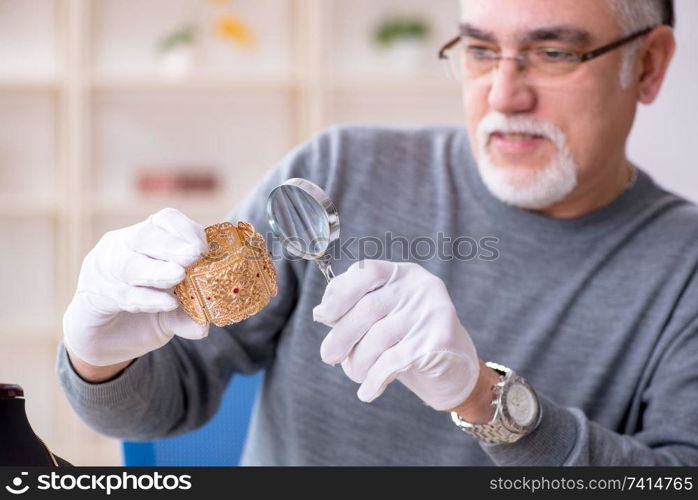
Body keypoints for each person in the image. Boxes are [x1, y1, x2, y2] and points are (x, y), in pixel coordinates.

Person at [57, 0, 698, 465]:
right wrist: (100, 357)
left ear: (647, 65)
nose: (504, 95)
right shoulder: (337, 172)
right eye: (478, 50)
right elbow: (165, 403)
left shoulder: (684, 268)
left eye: (554, 53)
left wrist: (484, 397)